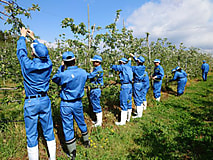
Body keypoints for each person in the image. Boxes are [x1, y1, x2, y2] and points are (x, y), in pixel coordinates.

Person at [17, 27, 56, 160]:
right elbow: (46, 55)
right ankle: (53, 158)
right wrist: (34, 38)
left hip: (31, 102)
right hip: (45, 101)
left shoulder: (28, 65)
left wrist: (23, 37)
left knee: (32, 134)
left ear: (33, 54)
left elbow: (21, 53)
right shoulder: (48, 65)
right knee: (49, 130)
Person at [52, 51, 90, 160]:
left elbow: (55, 78)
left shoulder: (64, 74)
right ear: (75, 60)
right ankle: (86, 141)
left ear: (65, 62)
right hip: (78, 102)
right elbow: (87, 77)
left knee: (68, 126)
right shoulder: (83, 72)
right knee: (81, 121)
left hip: (66, 104)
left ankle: (72, 152)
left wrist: (61, 67)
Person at [111, 57, 133, 125]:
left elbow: (114, 67)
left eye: (120, 62)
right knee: (129, 101)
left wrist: (110, 65)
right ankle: (128, 118)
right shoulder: (129, 66)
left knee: (123, 102)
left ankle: (122, 122)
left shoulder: (123, 67)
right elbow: (129, 62)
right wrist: (129, 60)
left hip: (125, 86)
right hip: (130, 86)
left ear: (122, 63)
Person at [87, 55, 104, 127]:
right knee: (94, 103)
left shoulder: (98, 70)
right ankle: (97, 120)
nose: (93, 63)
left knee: (96, 104)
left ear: (98, 62)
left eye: (94, 62)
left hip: (96, 89)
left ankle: (99, 122)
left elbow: (90, 76)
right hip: (94, 89)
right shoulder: (96, 69)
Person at [129, 53, 146, 118]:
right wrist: (133, 56)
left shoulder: (136, 68)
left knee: (137, 98)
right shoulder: (143, 67)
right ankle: (140, 112)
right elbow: (137, 61)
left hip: (137, 84)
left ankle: (139, 115)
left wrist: (130, 60)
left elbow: (129, 67)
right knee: (140, 98)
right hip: (141, 83)